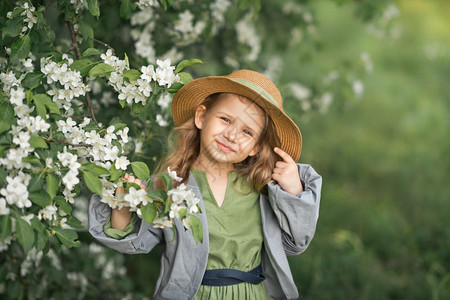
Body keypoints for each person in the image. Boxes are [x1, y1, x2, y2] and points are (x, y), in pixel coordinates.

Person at [89, 69, 322, 300]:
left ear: (256, 147)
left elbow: (296, 242)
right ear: (201, 117)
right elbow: (137, 242)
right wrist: (122, 208)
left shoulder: (261, 188)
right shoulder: (170, 185)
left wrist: (293, 191)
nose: (232, 135)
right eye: (225, 119)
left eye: (247, 132)